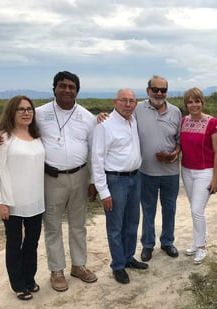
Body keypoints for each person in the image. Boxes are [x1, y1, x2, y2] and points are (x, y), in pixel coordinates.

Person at [0, 71, 98, 292]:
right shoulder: (39, 113)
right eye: (62, 86)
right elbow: (15, 129)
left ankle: (79, 265)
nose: (67, 90)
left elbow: (95, 151)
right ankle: (56, 271)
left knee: (78, 225)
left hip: (79, 175)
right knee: (52, 226)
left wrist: (93, 181)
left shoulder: (88, 117)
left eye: (71, 87)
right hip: (50, 178)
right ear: (54, 88)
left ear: (77, 90)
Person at [0, 95, 45, 301]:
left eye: (29, 109)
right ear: (12, 112)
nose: (27, 112)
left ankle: (29, 278)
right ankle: (18, 284)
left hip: (36, 200)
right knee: (14, 243)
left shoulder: (36, 135)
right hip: (12, 201)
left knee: (32, 242)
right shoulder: (3, 138)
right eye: (21, 109)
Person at [92, 89, 148, 284]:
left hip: (135, 178)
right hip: (115, 181)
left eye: (132, 101)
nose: (128, 104)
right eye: (123, 100)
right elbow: (97, 160)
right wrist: (103, 191)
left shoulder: (133, 121)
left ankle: (128, 257)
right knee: (115, 226)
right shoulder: (105, 125)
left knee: (132, 222)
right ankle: (118, 265)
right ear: (115, 102)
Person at [136, 76, 182, 262]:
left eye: (163, 90)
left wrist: (175, 153)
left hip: (170, 172)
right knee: (148, 209)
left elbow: (180, 140)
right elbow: (119, 119)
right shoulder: (137, 109)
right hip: (146, 171)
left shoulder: (176, 112)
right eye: (155, 90)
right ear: (148, 91)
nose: (159, 94)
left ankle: (167, 241)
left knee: (169, 208)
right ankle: (148, 245)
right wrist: (101, 116)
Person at [180, 87, 217, 264]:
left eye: (197, 101)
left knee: (197, 210)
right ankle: (199, 240)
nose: (194, 105)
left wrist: (215, 178)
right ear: (186, 104)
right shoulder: (183, 121)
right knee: (195, 208)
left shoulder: (212, 123)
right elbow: (180, 145)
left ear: (202, 103)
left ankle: (201, 247)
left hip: (205, 171)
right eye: (190, 101)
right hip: (186, 170)